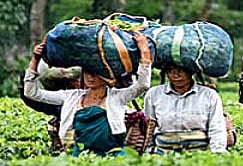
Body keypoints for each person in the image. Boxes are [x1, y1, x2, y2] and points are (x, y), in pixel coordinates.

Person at [23, 31, 152, 155]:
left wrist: (144, 52)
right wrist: (35, 59)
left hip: (112, 154)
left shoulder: (117, 97)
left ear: (106, 76)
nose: (90, 78)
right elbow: (31, 93)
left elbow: (143, 85)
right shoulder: (72, 96)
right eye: (87, 73)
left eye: (95, 74)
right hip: (79, 154)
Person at [143, 63, 229, 153]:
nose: (176, 75)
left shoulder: (209, 95)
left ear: (191, 71)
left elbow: (216, 128)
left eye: (181, 70)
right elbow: (148, 127)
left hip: (199, 153)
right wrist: (148, 152)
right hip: (163, 152)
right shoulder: (154, 94)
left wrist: (217, 152)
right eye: (170, 71)